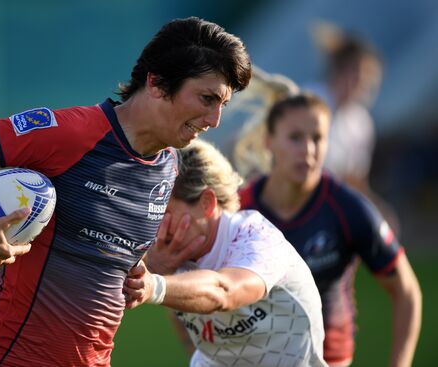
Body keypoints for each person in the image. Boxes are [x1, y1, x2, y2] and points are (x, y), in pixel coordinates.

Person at [0, 17, 252, 367]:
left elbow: (103, 256)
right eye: (207, 99)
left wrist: (147, 272)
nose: (215, 119)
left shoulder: (169, 167)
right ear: (158, 82)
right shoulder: (71, 134)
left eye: (222, 104)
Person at [238, 93, 422, 367]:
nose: (308, 150)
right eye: (295, 137)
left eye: (318, 138)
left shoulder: (348, 208)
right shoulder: (238, 208)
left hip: (328, 359)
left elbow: (407, 291)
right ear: (269, 141)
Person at [125, 139, 327, 367]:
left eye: (166, 211)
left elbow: (223, 291)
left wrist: (156, 284)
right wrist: (155, 267)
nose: (157, 228)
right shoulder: (166, 249)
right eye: (153, 212)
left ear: (207, 203)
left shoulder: (256, 238)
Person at [305, 22, 400, 234]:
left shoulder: (361, 123)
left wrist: (378, 209)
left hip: (324, 211)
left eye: (372, 80)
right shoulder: (307, 103)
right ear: (340, 71)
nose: (366, 86)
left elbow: (354, 180)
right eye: (361, 76)